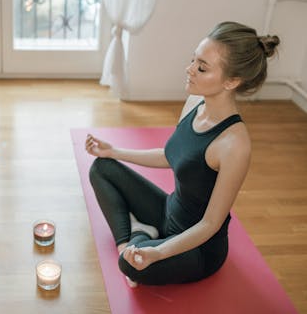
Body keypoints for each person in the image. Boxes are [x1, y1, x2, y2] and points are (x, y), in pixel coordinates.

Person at [86, 21, 280, 286]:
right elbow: (170, 156)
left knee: (130, 266)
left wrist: (157, 252)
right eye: (193, 60)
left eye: (202, 67)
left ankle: (138, 242)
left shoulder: (234, 144)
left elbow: (211, 224)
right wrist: (114, 151)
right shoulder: (194, 103)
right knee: (102, 167)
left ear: (232, 81)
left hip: (198, 248)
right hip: (168, 210)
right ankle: (131, 243)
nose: (189, 70)